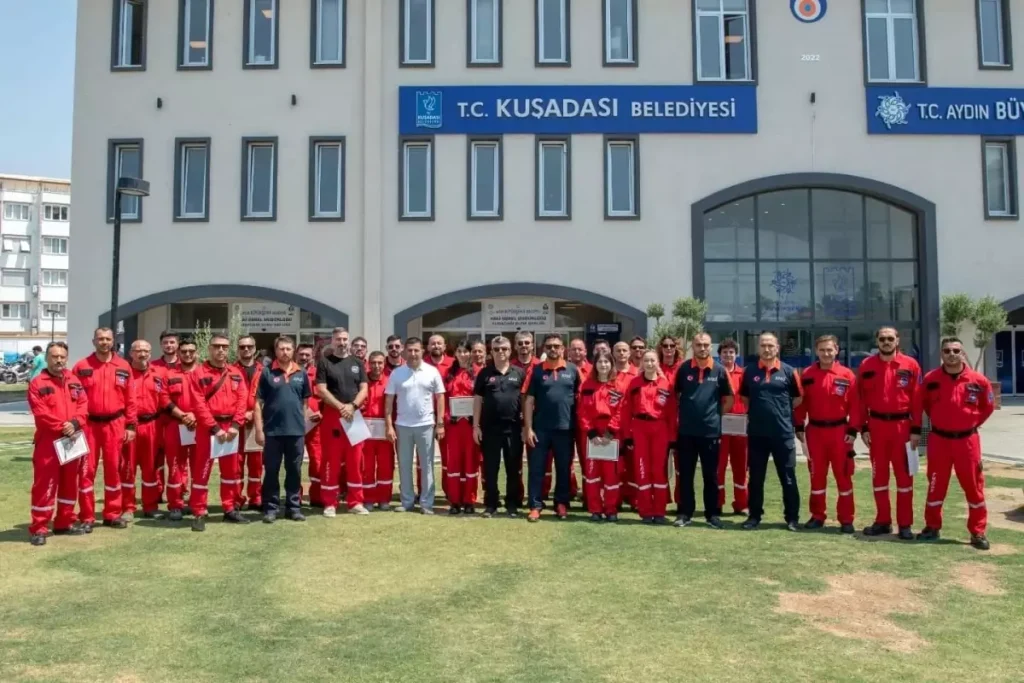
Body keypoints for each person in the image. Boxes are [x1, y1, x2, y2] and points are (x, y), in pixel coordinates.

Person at [913, 337, 994, 550]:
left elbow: (987, 407)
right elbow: (924, 405)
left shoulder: (978, 380)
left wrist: (970, 422)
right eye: (947, 351)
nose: (951, 354)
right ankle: (932, 527)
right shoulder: (931, 379)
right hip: (939, 440)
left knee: (974, 486)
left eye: (956, 350)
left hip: (967, 442)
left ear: (962, 353)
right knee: (935, 485)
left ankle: (977, 531)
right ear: (941, 354)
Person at [854, 326, 923, 540]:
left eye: (890, 338)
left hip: (902, 428)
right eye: (882, 338)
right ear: (877, 341)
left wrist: (916, 429)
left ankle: (905, 524)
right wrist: (863, 427)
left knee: (905, 479)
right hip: (876, 427)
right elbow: (859, 399)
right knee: (879, 477)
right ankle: (883, 521)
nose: (886, 342)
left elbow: (917, 399)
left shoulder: (911, 365)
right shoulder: (866, 365)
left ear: (897, 340)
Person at [793, 335, 859, 534]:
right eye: (822, 350)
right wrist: (798, 425)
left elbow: (856, 405)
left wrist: (853, 430)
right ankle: (817, 516)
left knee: (844, 477)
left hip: (840, 432)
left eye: (829, 349)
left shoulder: (847, 375)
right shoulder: (808, 374)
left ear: (837, 350)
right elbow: (801, 403)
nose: (826, 353)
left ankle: (846, 519)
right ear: (816, 351)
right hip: (815, 432)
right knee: (816, 477)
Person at [72, 327, 136, 531]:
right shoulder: (82, 366)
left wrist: (131, 425)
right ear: (94, 341)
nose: (104, 342)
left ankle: (112, 513)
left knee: (113, 469)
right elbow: (72, 397)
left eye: (108, 339)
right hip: (88, 425)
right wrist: (75, 423)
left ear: (113, 341)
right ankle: (87, 516)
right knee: (86, 470)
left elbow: (131, 399)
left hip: (115, 424)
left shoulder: (124, 366)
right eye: (100, 339)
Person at [738, 333, 803, 531]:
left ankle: (792, 518)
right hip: (757, 434)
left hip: (783, 434)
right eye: (763, 345)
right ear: (758, 348)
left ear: (777, 348)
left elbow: (798, 398)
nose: (767, 349)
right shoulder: (749, 371)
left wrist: (780, 412)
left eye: (771, 345)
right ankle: (754, 516)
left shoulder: (789, 371)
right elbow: (745, 398)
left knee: (788, 477)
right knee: (756, 478)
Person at [27, 342, 88, 545]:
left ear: (67, 358)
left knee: (70, 482)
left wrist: (75, 423)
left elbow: (83, 404)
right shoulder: (37, 383)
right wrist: (63, 426)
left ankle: (64, 522)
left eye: (62, 356)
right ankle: (39, 527)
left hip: (71, 439)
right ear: (47, 358)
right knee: (45, 484)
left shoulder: (74, 380)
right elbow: (41, 413)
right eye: (54, 356)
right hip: (49, 440)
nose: (59, 360)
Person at [672, 333, 734, 529]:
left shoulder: (720, 370)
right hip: (686, 432)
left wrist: (714, 415)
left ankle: (712, 514)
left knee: (711, 475)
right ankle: (685, 513)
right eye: (698, 345)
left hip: (710, 432)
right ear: (693, 346)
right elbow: (676, 394)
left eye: (706, 345)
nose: (702, 348)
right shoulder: (683, 369)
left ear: (710, 347)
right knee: (686, 474)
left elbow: (729, 399)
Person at [188, 334, 248, 532]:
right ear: (209, 349)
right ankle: (198, 511)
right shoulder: (198, 373)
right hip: (208, 429)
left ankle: (229, 508)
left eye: (224, 347)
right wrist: (214, 428)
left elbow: (242, 400)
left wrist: (236, 425)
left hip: (231, 428)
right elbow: (198, 404)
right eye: (216, 346)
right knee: (202, 471)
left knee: (231, 471)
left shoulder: (235, 373)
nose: (221, 350)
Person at [522, 334, 583, 522]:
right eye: (549, 346)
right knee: (536, 468)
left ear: (563, 349)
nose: (553, 349)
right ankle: (535, 505)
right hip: (540, 429)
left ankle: (561, 503)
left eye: (556, 346)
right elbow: (529, 400)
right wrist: (528, 428)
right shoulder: (536, 371)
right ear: (544, 349)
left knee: (564, 468)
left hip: (565, 429)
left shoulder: (572, 370)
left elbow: (581, 398)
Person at [385, 336, 446, 514]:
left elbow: (440, 397)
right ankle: (407, 501)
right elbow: (388, 401)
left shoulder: (432, 371)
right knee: (404, 465)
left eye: (416, 350)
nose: (413, 354)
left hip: (426, 425)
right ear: (405, 352)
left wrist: (440, 423)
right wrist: (389, 425)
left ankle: (426, 503)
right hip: (402, 426)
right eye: (410, 350)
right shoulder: (397, 373)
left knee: (427, 466)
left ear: (422, 351)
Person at [253, 336, 311, 524]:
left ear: (293, 351)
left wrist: (301, 424)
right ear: (276, 351)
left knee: (294, 470)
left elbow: (305, 402)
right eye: (281, 349)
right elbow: (257, 403)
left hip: (296, 433)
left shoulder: (301, 373)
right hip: (272, 432)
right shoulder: (266, 373)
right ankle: (271, 508)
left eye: (288, 349)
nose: (285, 352)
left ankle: (293, 508)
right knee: (271, 471)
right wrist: (259, 430)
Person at [315, 327, 370, 517]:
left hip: (354, 415)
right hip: (333, 415)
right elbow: (321, 389)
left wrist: (352, 406)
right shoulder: (324, 362)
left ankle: (356, 502)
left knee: (356, 461)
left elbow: (364, 389)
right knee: (331, 461)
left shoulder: (357, 362)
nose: (342, 343)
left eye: (345, 339)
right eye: (338, 339)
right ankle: (330, 503)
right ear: (332, 341)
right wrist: (341, 407)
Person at [473, 335, 526, 517]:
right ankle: (491, 504)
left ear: (510, 351)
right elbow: (478, 400)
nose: (500, 352)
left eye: (504, 349)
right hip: (490, 429)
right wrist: (476, 426)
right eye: (496, 349)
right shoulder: (484, 373)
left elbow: (525, 400)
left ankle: (512, 504)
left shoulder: (519, 373)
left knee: (513, 467)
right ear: (491, 352)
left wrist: (526, 426)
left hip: (513, 429)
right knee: (491, 467)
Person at [621, 350, 675, 524]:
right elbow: (626, 409)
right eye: (646, 361)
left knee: (658, 470)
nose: (649, 364)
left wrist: (672, 437)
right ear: (642, 363)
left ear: (657, 362)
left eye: (652, 360)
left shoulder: (666, 384)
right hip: (639, 428)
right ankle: (645, 510)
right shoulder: (634, 383)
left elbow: (672, 412)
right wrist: (627, 434)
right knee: (642, 469)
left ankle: (659, 511)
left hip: (660, 428)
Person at [120, 340, 166, 520]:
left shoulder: (159, 373)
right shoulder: (124, 373)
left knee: (151, 468)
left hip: (152, 425)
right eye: (138, 350)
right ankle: (128, 507)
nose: (142, 354)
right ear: (131, 353)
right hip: (130, 426)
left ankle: (150, 506)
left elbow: (164, 399)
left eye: (146, 350)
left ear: (150, 353)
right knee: (127, 467)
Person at [576, 350, 624, 522]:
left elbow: (621, 411)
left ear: (612, 364)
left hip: (611, 434)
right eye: (600, 362)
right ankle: (595, 509)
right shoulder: (587, 385)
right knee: (592, 474)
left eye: (606, 362)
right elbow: (582, 411)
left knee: (611, 475)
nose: (603, 365)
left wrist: (610, 432)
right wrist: (591, 432)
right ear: (594, 365)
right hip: (591, 434)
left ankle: (611, 509)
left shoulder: (618, 386)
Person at [159, 338, 199, 521]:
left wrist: (195, 416)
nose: (188, 354)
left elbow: (209, 398)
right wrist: (183, 415)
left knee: (198, 465)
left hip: (199, 424)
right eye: (184, 352)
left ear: (196, 352)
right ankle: (175, 504)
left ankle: (196, 502)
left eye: (191, 351)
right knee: (175, 465)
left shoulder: (203, 373)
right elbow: (164, 398)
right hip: (175, 424)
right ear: (179, 353)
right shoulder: (169, 374)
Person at [444, 341, 480, 514]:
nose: (463, 354)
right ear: (455, 353)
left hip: (471, 425)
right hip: (454, 426)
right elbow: (443, 398)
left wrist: (477, 418)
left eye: (466, 351)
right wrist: (447, 416)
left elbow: (481, 398)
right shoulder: (449, 373)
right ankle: (455, 501)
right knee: (454, 463)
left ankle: (469, 500)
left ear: (471, 353)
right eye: (459, 351)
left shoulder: (478, 373)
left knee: (471, 462)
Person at [716, 339, 748, 514]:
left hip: (740, 426)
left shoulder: (744, 374)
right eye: (724, 352)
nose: (728, 355)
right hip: (720, 426)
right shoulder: (715, 373)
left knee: (740, 466)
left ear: (736, 355)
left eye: (731, 352)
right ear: (719, 355)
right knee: (718, 466)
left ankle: (741, 504)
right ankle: (717, 502)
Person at [151, 331, 182, 502]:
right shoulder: (152, 366)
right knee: (157, 456)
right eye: (165, 342)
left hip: (178, 418)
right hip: (157, 417)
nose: (169, 345)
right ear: (161, 344)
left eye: (172, 342)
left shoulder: (185, 365)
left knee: (178, 457)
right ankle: (157, 491)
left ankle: (181, 490)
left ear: (177, 344)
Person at [235, 335, 264, 511]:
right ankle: (236, 499)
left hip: (256, 422)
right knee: (235, 464)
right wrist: (241, 414)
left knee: (256, 464)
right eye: (242, 347)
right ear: (237, 349)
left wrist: (254, 413)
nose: (246, 349)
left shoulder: (264, 371)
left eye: (249, 346)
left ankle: (256, 498)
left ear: (255, 349)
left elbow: (268, 396)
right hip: (235, 424)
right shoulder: (230, 370)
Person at [362, 351, 394, 510]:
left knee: (385, 465)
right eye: (373, 362)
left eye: (380, 363)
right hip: (365, 429)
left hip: (384, 429)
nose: (376, 366)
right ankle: (368, 498)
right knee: (366, 466)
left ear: (384, 364)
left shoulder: (390, 381)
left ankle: (384, 498)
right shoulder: (362, 382)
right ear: (368, 363)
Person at [297, 344, 324, 506]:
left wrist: (322, 412)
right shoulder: (290, 373)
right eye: (301, 354)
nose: (304, 358)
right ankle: (296, 497)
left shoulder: (320, 373)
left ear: (312, 356)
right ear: (296, 355)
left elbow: (328, 395)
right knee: (295, 461)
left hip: (315, 425)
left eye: (307, 355)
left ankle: (317, 496)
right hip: (295, 424)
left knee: (317, 460)